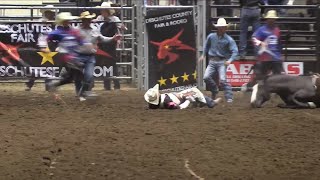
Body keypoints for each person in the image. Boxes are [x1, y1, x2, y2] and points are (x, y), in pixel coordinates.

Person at [44, 12, 97, 101]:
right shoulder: (59, 32)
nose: (67, 22)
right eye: (65, 21)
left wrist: (88, 46)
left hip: (74, 57)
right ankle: (83, 94)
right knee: (79, 74)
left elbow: (81, 41)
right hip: (68, 57)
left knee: (70, 77)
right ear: (62, 22)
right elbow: (47, 37)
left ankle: (55, 84)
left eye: (68, 21)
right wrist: (45, 47)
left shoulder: (73, 31)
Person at [76, 11, 122, 95]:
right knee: (79, 76)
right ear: (82, 20)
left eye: (88, 19)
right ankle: (81, 92)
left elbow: (102, 38)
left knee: (89, 75)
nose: (87, 21)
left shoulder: (94, 29)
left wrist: (112, 38)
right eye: (85, 19)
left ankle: (85, 92)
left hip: (90, 56)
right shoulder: (76, 30)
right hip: (79, 56)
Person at [242, 10, 283, 92]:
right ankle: (248, 86)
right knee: (258, 75)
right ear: (267, 19)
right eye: (270, 19)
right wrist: (260, 43)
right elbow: (253, 38)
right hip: (264, 57)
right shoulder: (262, 30)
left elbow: (279, 43)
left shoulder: (277, 30)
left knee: (278, 76)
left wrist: (280, 54)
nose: (272, 20)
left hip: (275, 57)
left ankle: (277, 91)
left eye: (273, 19)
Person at [199, 18, 238, 103]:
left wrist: (230, 60)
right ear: (218, 27)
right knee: (206, 77)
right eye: (220, 27)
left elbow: (235, 51)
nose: (221, 28)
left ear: (225, 28)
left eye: (223, 27)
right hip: (212, 60)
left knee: (223, 80)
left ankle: (229, 97)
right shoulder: (211, 37)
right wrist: (203, 55)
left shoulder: (228, 39)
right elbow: (206, 46)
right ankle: (215, 89)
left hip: (222, 61)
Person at [25, 5, 57, 91]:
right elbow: (35, 35)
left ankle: (46, 84)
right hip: (40, 46)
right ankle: (31, 82)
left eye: (52, 13)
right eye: (50, 13)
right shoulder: (39, 23)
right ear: (46, 13)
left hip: (50, 46)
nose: (52, 14)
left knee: (48, 65)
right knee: (38, 65)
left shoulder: (54, 24)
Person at [96, 1, 127, 91]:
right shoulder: (100, 18)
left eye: (104, 10)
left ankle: (116, 85)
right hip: (102, 44)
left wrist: (122, 27)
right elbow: (96, 27)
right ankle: (107, 85)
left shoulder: (114, 19)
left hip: (111, 44)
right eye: (102, 10)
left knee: (112, 64)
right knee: (104, 64)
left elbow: (123, 28)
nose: (102, 12)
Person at [144, 84, 222, 110]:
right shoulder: (167, 102)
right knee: (194, 91)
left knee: (195, 93)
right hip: (181, 99)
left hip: (178, 96)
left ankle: (205, 102)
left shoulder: (152, 105)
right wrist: (188, 101)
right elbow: (178, 107)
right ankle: (210, 103)